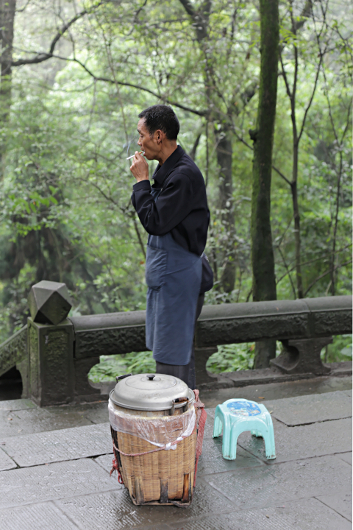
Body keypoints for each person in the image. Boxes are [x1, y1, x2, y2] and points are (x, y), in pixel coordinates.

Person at [130, 104, 211, 389]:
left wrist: (141, 182)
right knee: (174, 356)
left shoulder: (183, 176)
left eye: (142, 135)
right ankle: (183, 427)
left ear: (159, 136)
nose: (139, 142)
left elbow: (155, 220)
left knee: (171, 363)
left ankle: (173, 429)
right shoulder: (169, 170)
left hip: (177, 279)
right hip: (168, 278)